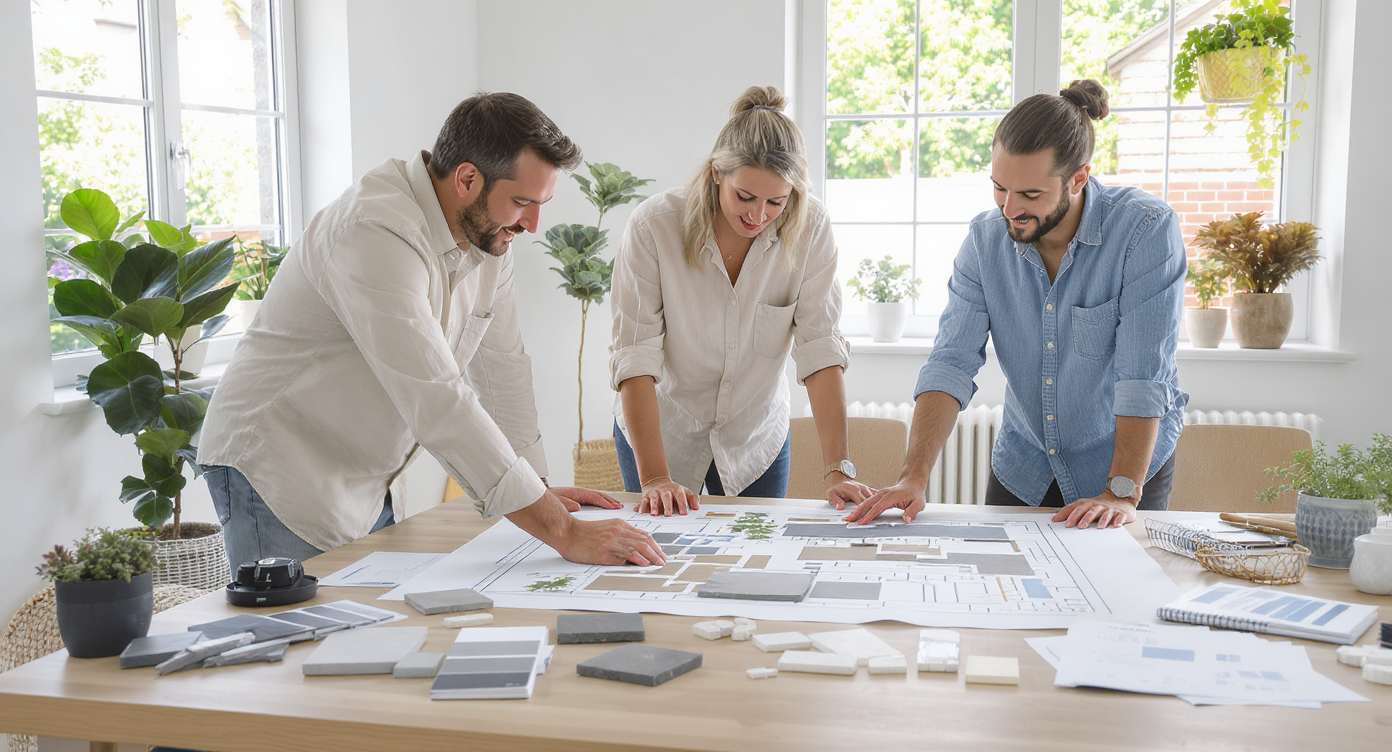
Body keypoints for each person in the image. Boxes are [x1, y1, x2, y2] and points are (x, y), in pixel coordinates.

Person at [198, 92, 664, 574]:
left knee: (364, 637)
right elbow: (438, 397)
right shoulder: (373, 230)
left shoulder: (489, 238)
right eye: (523, 202)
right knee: (295, 639)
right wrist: (561, 530)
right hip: (276, 469)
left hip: (361, 478)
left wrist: (538, 489)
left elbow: (503, 370)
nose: (532, 224)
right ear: (467, 178)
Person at [848, 80, 1188, 530]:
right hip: (1026, 465)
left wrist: (1120, 493)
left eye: (1029, 195)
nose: (1009, 209)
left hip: (1122, 469)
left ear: (1078, 178)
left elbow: (1143, 376)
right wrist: (913, 478)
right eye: (999, 188)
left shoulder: (1145, 231)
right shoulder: (985, 241)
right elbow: (951, 361)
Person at [609, 86, 873, 516]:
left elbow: (819, 348)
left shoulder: (811, 229)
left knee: (757, 565)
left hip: (755, 439)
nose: (758, 215)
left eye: (777, 201)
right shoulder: (654, 226)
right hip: (664, 432)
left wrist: (838, 471)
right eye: (745, 197)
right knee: (663, 563)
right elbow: (634, 356)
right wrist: (655, 479)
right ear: (717, 173)